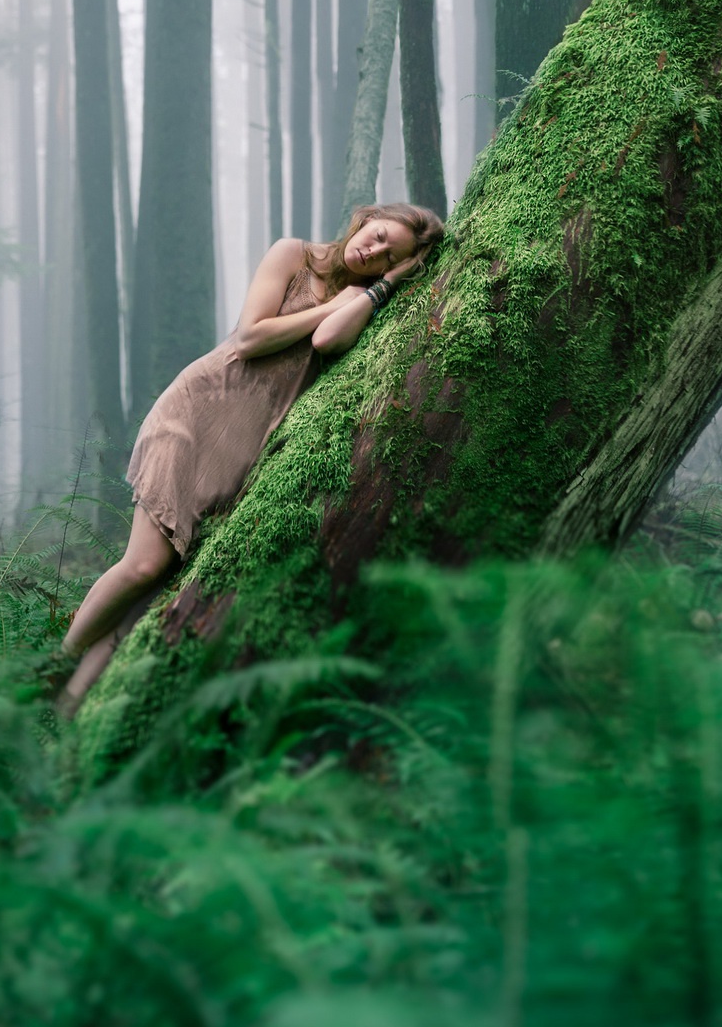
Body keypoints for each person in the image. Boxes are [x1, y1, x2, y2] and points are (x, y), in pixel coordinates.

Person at [62, 203, 446, 701]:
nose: (370, 251)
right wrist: (333, 303)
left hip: (239, 453)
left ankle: (68, 702)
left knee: (152, 595)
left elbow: (329, 341)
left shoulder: (363, 300)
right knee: (143, 567)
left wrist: (379, 288)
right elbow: (249, 338)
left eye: (385, 256)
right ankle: (57, 661)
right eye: (375, 235)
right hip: (195, 416)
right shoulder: (294, 256)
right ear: (365, 218)